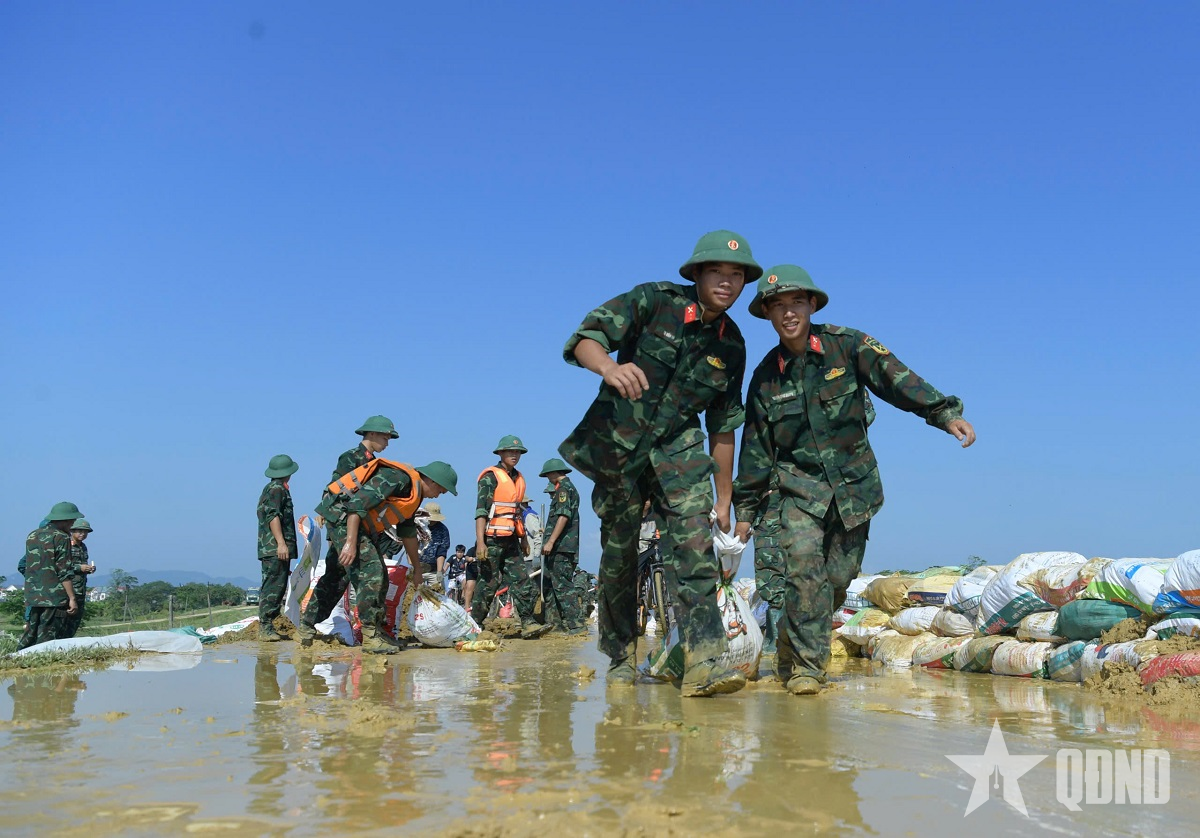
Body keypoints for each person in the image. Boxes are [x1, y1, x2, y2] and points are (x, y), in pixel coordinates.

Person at [732, 265, 976, 695]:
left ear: (811, 305)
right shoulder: (766, 377)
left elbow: (896, 379)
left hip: (854, 490)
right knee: (804, 575)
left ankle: (790, 643)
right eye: (778, 306)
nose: (788, 313)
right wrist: (746, 511)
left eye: (796, 303)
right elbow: (755, 448)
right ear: (768, 314)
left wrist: (943, 414)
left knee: (836, 581)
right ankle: (809, 668)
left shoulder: (847, 346)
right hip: (798, 492)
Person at [558, 230, 760, 696]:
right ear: (697, 274)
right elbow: (586, 338)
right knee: (619, 555)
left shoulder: (733, 345)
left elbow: (724, 424)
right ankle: (621, 655)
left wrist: (724, 498)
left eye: (736, 275)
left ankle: (705, 660)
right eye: (717, 272)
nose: (727, 282)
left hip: (679, 448)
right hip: (619, 444)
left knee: (693, 549)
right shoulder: (654, 301)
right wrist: (608, 367)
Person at [300, 458, 458, 653]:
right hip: (344, 519)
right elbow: (356, 506)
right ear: (433, 481)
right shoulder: (397, 479)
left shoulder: (413, 494)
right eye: (442, 489)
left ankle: (307, 627)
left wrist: (417, 569)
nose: (440, 494)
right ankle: (370, 635)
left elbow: (407, 532)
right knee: (373, 573)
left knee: (337, 576)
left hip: (357, 525)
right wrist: (350, 543)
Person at [473, 435, 549, 639]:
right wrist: (480, 543)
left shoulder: (518, 479)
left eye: (517, 452)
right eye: (510, 452)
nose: (514, 455)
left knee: (522, 580)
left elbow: (517, 512)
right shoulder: (490, 477)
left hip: (512, 539)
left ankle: (528, 622)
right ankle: (473, 624)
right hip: (491, 539)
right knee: (488, 583)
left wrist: (523, 538)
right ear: (500, 453)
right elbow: (481, 511)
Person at [18, 502, 84, 650]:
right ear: (66, 520)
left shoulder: (33, 535)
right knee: (47, 638)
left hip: (33, 595)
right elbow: (63, 571)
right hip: (54, 597)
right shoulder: (61, 537)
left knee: (30, 634)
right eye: (72, 521)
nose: (72, 525)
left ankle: (16, 659)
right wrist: (72, 598)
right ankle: (42, 668)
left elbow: (28, 565)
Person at [539, 458, 585, 634]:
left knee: (563, 585)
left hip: (561, 546)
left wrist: (551, 541)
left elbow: (563, 517)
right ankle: (554, 624)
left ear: (553, 473)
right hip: (560, 546)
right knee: (550, 584)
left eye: (548, 475)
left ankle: (577, 624)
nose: (548, 479)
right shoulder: (567, 489)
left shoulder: (564, 490)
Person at [257, 454, 299, 641]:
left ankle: (270, 625)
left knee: (277, 585)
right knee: (273, 587)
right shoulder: (276, 490)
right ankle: (265, 627)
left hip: (273, 548)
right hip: (275, 548)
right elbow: (273, 516)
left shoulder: (275, 489)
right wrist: (281, 543)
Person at [65, 519, 97, 638]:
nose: (82, 534)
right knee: (65, 621)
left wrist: (89, 569)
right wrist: (80, 568)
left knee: (75, 623)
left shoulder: (83, 547)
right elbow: (61, 566)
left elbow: (82, 566)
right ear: (72, 531)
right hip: (68, 590)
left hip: (81, 589)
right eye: (79, 531)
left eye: (85, 532)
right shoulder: (66, 545)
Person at [420, 502, 450, 584]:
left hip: (433, 570)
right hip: (417, 568)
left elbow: (442, 551)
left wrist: (439, 572)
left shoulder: (442, 530)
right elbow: (410, 547)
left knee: (438, 593)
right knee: (412, 594)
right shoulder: (417, 526)